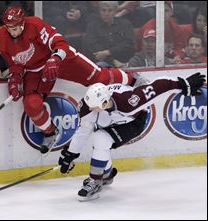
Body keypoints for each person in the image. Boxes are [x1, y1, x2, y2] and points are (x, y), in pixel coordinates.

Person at [0, 6, 134, 153]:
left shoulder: (35, 25)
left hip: (59, 59)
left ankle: (131, 79)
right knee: (31, 104)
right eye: (8, 27)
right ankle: (50, 132)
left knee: (98, 77)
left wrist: (55, 59)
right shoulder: (1, 38)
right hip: (34, 71)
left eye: (15, 27)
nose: (11, 30)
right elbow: (14, 63)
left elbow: (60, 42)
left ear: (22, 23)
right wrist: (15, 80)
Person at [58, 72, 206, 201]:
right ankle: (106, 175)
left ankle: (95, 180)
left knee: (101, 138)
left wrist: (183, 84)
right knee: (100, 139)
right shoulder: (87, 108)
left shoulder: (129, 101)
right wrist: (70, 155)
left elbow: (159, 86)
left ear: (105, 102)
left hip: (133, 122)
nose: (90, 108)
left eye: (94, 106)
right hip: (110, 120)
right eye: (89, 105)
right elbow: (82, 132)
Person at [82, 1, 135, 67]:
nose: (106, 14)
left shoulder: (126, 24)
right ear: (99, 11)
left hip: (125, 60)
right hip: (103, 62)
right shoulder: (92, 26)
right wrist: (113, 61)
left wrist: (108, 52)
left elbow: (129, 45)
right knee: (100, 65)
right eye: (103, 10)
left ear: (115, 11)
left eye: (110, 10)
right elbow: (94, 49)